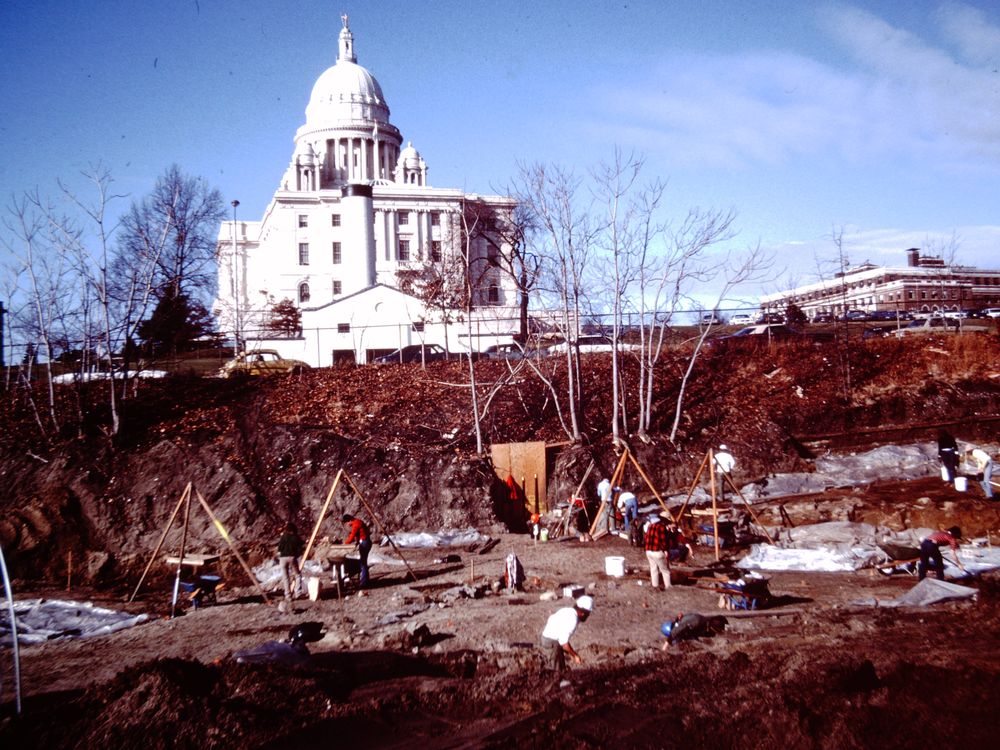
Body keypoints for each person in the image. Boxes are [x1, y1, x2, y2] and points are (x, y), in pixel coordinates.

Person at [539, 595, 593, 672]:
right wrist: (575, 656)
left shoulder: (567, 610)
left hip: (550, 639)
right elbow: (564, 644)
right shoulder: (572, 619)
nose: (588, 616)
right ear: (583, 613)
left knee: (561, 667)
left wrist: (570, 653)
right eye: (588, 614)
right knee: (556, 671)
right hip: (551, 642)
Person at [660, 613, 728, 650]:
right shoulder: (681, 622)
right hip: (704, 625)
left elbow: (675, 632)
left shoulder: (681, 626)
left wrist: (665, 646)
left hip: (707, 625)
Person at [342, 513, 373, 588]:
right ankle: (365, 581)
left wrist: (345, 544)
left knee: (363, 563)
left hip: (365, 542)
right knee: (363, 562)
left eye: (347, 523)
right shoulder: (357, 522)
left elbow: (352, 536)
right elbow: (356, 535)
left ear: (349, 520)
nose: (348, 524)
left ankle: (364, 583)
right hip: (364, 542)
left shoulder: (356, 524)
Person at [277, 523, 304, 605]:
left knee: (285, 578)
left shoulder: (283, 537)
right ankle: (297, 593)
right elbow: (301, 546)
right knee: (298, 575)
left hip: (282, 558)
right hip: (292, 557)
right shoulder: (295, 537)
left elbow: (279, 548)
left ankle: (288, 596)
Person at [643, 513, 672, 590]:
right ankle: (668, 587)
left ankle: (655, 586)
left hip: (648, 551)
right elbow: (663, 540)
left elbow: (646, 538)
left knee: (653, 569)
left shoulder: (650, 526)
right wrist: (665, 550)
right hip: (657, 551)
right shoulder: (661, 527)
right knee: (665, 570)